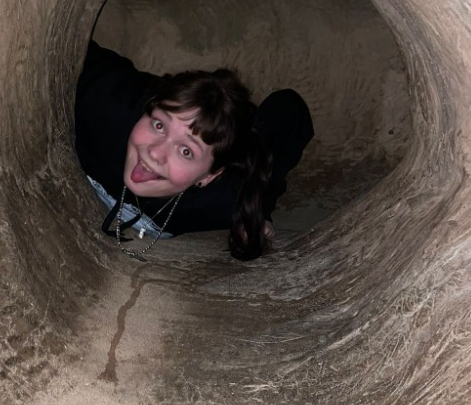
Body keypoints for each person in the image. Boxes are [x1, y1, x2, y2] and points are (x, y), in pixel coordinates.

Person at [74, 39, 314, 261]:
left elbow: (291, 108)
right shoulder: (105, 107)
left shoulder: (227, 198)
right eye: (159, 125)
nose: (155, 153)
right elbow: (75, 46)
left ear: (209, 175)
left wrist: (260, 210)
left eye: (186, 151)